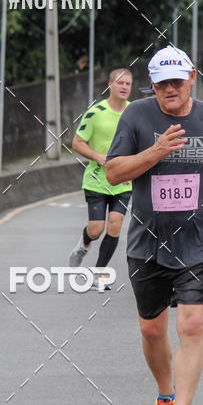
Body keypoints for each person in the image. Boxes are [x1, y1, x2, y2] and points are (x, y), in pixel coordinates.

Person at [106, 45, 203, 405]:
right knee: (152, 330)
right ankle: (165, 396)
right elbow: (113, 173)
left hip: (201, 240)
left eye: (177, 81)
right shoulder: (136, 116)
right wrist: (155, 151)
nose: (170, 89)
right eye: (162, 83)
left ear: (191, 79)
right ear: (152, 85)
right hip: (148, 242)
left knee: (192, 325)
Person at [68, 68, 133, 289]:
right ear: (110, 85)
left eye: (128, 84)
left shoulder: (134, 112)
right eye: (120, 83)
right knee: (96, 229)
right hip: (97, 179)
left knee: (115, 225)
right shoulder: (96, 112)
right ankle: (84, 244)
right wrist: (99, 157)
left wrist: (132, 169)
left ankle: (98, 274)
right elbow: (77, 143)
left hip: (123, 181)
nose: (124, 87)